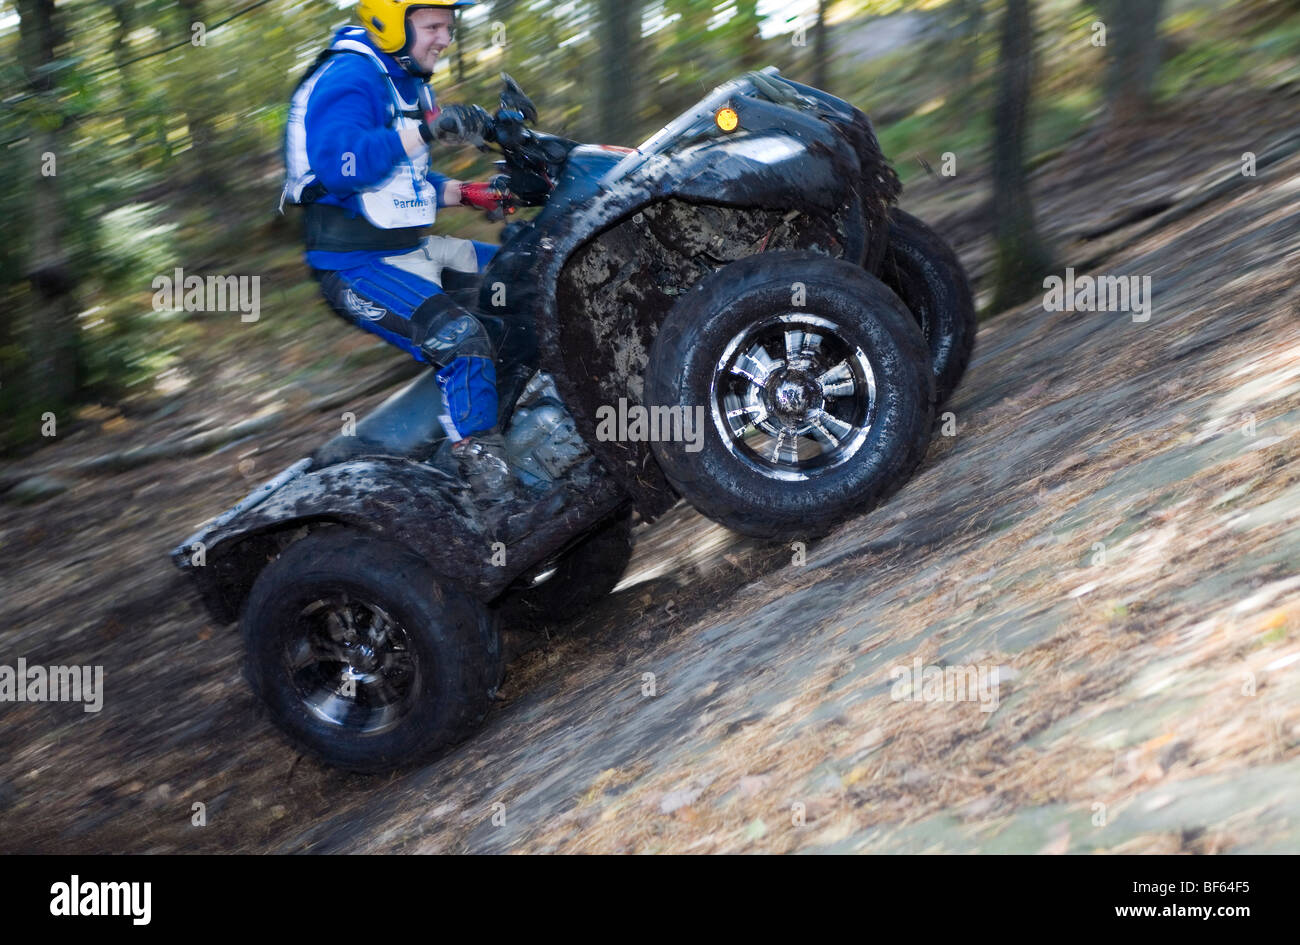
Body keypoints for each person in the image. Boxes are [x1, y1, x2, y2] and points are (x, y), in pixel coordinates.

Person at [281, 0, 526, 497]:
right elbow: (344, 167)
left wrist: (466, 192)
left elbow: (402, 180)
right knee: (459, 338)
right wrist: (426, 130)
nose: (444, 38)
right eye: (432, 26)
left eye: (449, 28)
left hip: (410, 248)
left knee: (525, 271)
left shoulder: (405, 79)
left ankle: (527, 427)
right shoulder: (350, 76)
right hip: (355, 265)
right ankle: (486, 483)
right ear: (389, 22)